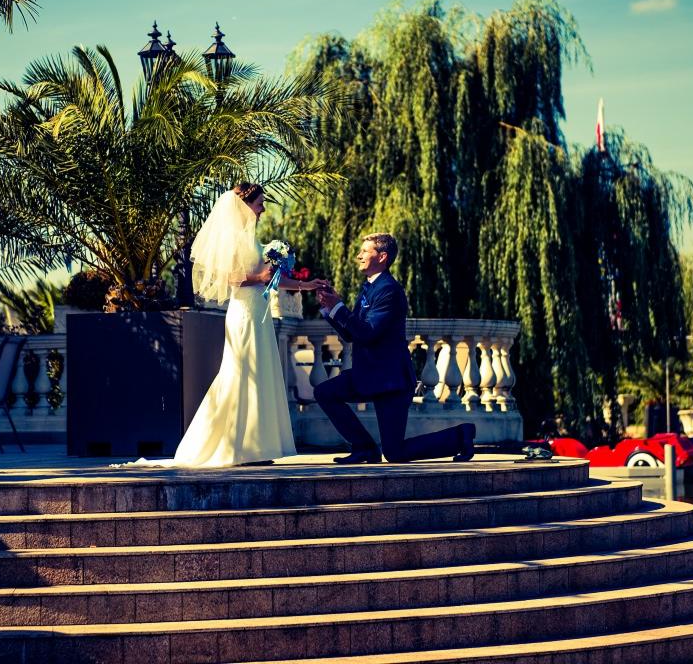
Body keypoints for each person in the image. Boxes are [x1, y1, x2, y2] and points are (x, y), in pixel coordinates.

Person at [120, 184, 321, 468]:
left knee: (259, 373)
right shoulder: (235, 240)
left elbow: (271, 279)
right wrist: (259, 276)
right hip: (244, 313)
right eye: (259, 203)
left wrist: (306, 285)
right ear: (244, 206)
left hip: (259, 314)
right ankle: (240, 447)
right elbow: (232, 277)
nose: (263, 208)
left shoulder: (252, 239)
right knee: (242, 374)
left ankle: (256, 446)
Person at [310, 233, 476, 464]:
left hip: (391, 381)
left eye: (365, 251)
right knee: (325, 392)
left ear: (382, 256)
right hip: (368, 376)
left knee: (395, 452)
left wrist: (338, 306)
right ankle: (365, 448)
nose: (359, 255)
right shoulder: (370, 287)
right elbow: (351, 334)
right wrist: (330, 309)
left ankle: (461, 435)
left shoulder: (389, 290)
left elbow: (368, 332)